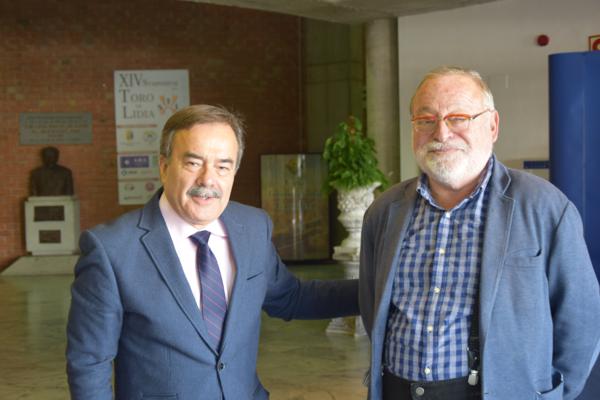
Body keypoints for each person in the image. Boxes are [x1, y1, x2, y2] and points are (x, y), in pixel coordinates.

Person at [66, 104, 359, 400]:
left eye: (223, 166)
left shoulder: (253, 228)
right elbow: (89, 363)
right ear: (164, 166)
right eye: (193, 163)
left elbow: (291, 298)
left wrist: (378, 289)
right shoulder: (111, 249)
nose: (208, 179)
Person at [359, 66, 600, 400]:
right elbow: (372, 304)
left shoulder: (545, 208)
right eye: (425, 120)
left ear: (493, 125)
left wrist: (553, 395)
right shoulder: (385, 211)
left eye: (458, 118)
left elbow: (582, 319)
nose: (441, 133)